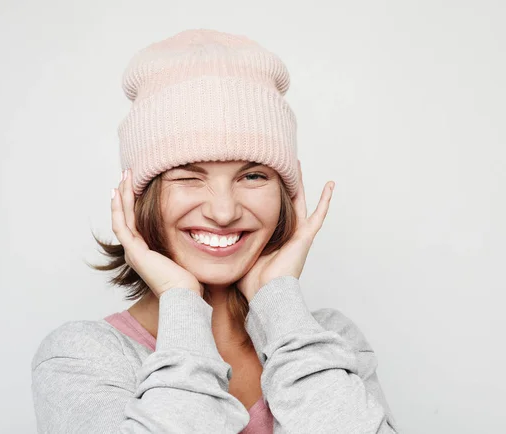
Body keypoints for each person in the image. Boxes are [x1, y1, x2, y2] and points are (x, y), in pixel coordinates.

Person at [31, 28, 400, 433]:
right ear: (140, 198)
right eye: (188, 177)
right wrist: (181, 304)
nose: (223, 212)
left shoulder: (327, 342)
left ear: (286, 195)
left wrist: (280, 305)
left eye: (253, 176)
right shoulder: (82, 357)